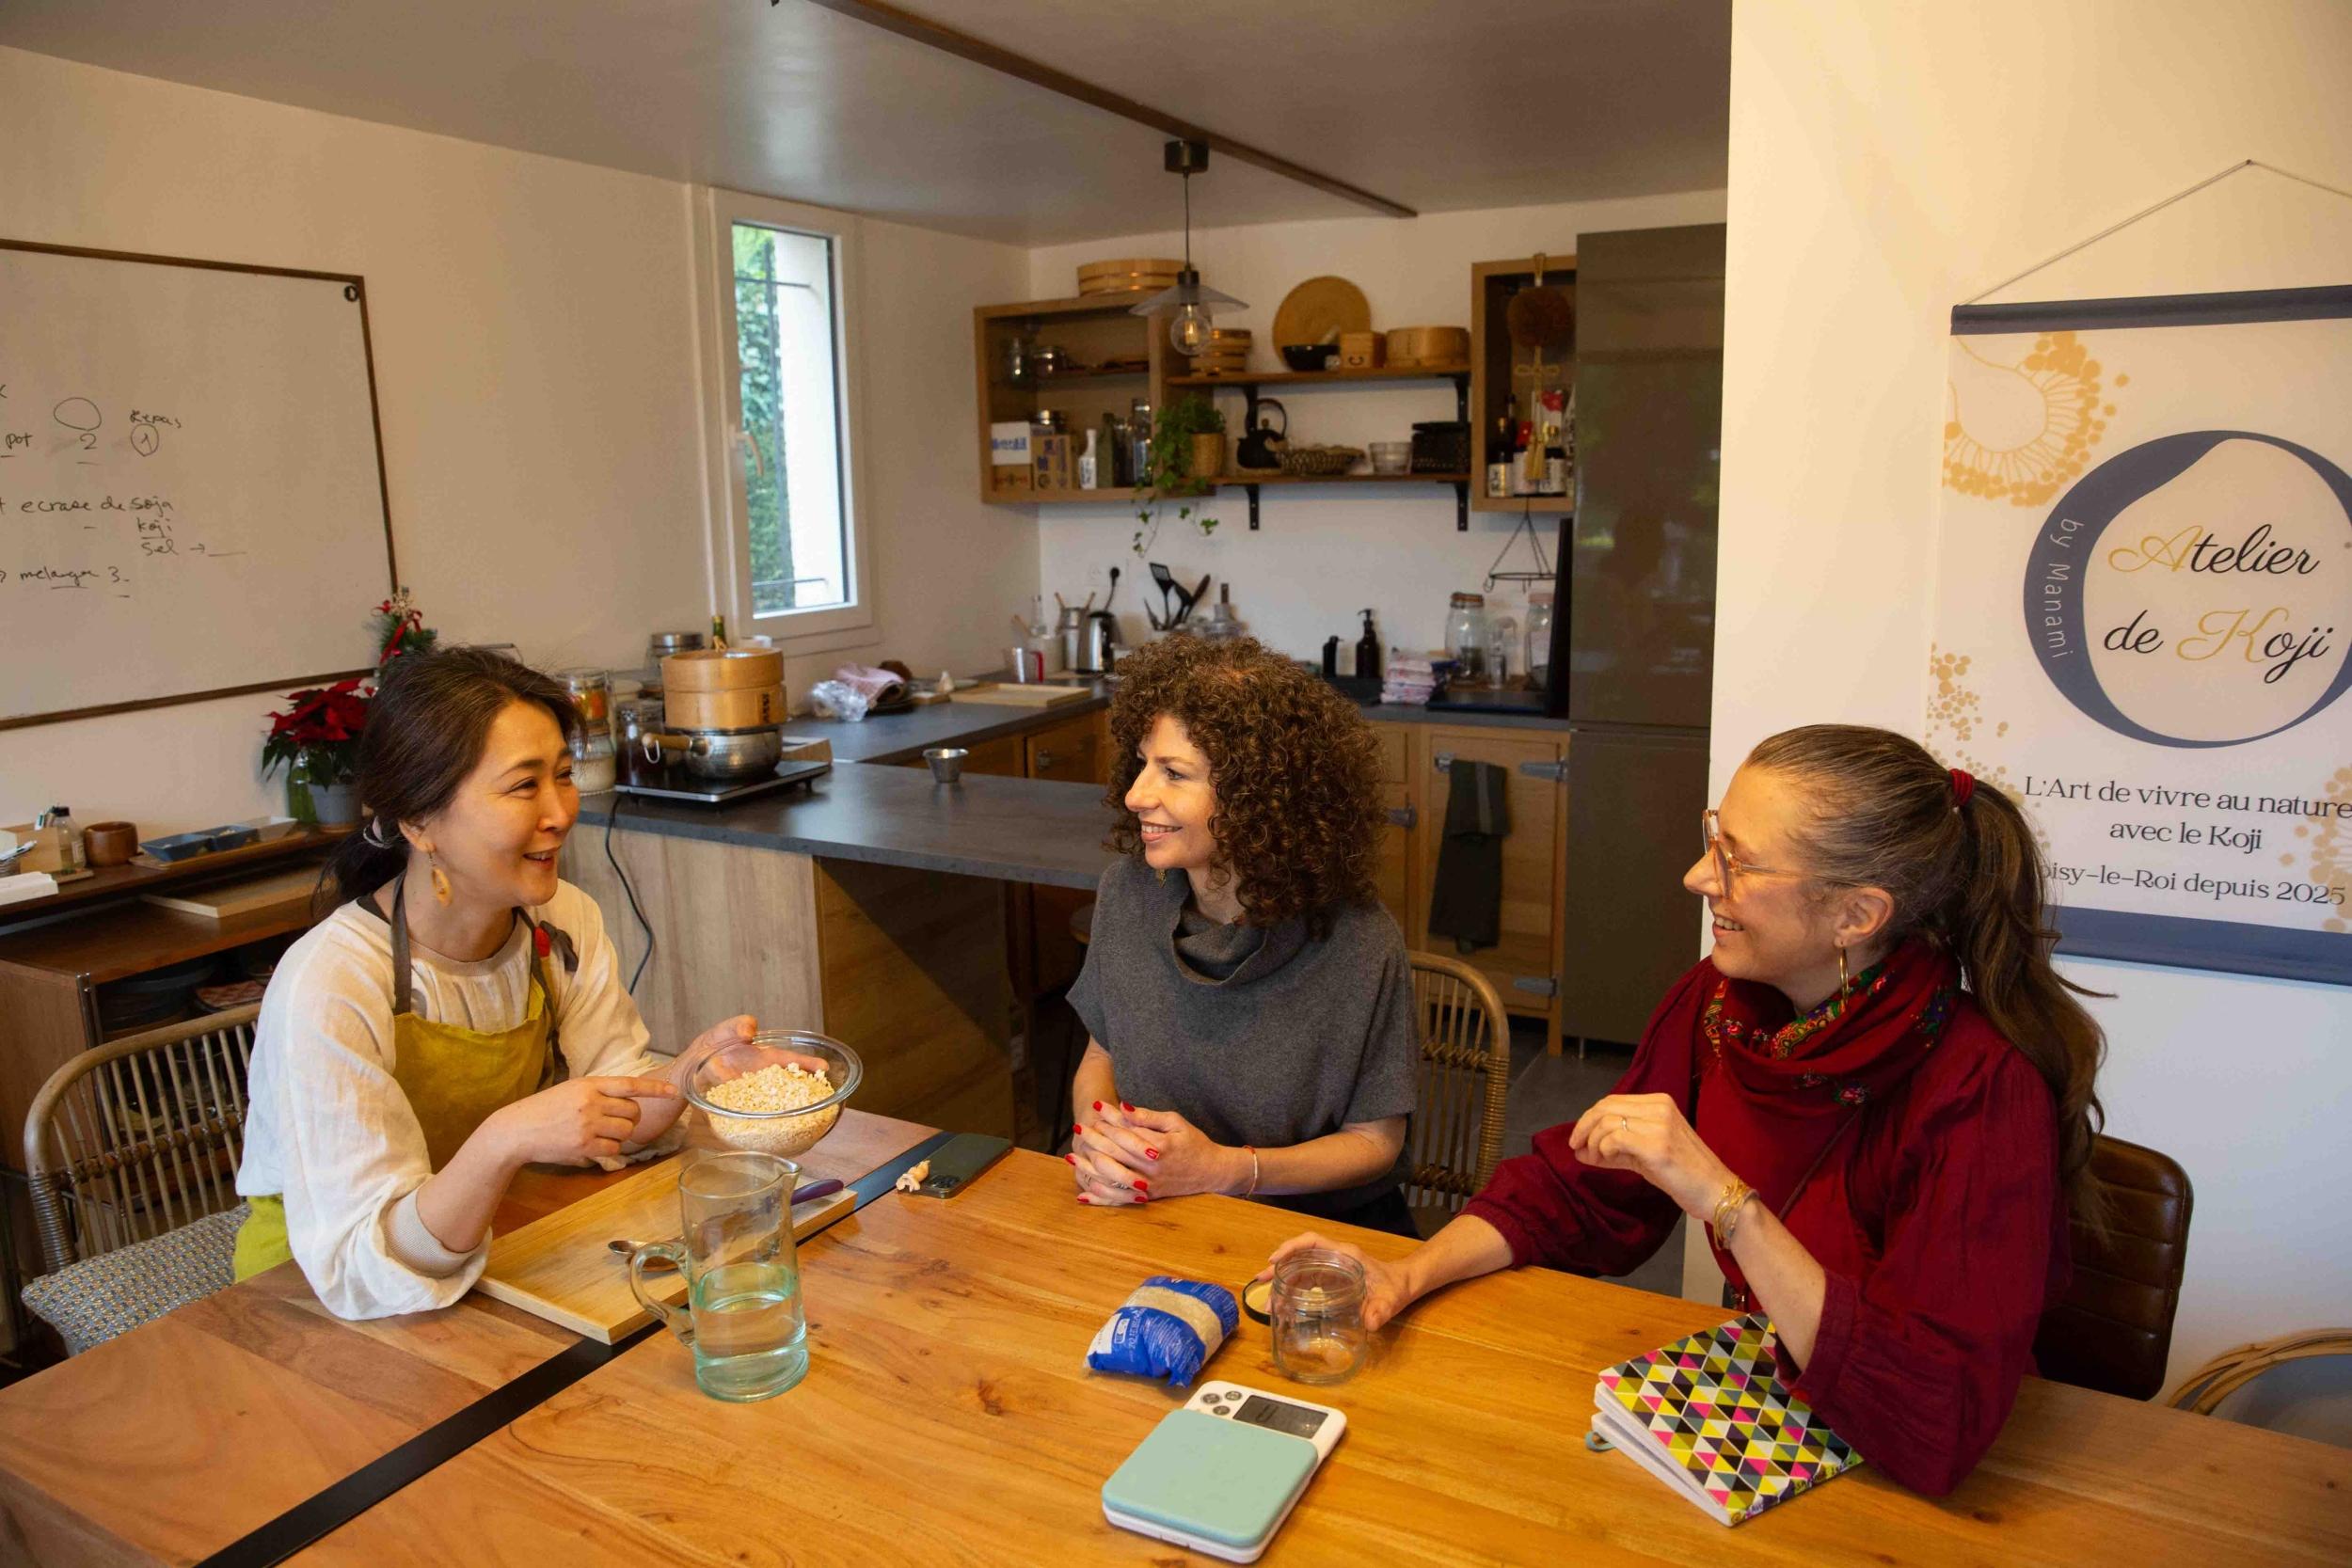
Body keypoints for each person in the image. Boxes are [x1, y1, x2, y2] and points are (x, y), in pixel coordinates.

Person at [1264, 724, 2107, 1495]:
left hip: (1899, 1471)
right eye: (1715, 839)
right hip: (1776, 1416)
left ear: (1857, 914)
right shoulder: (1722, 1000)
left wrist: (1724, 1199)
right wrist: (1410, 1271)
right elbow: (1579, 1188)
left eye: (1737, 860)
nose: (1699, 876)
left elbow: (1937, 1414)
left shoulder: (1982, 1089)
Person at [234, 648, 775, 1319]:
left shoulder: (563, 920)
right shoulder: (332, 982)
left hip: (489, 1254)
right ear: (418, 821)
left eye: (566, 775)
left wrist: (695, 1069)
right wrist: (505, 1138)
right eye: (524, 786)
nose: (560, 811)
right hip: (312, 1302)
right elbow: (360, 1264)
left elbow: (613, 1114)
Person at [1066, 636, 1422, 1235]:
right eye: (1142, 763)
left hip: (1317, 1239)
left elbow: (1374, 1142)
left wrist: (1226, 1171)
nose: (1135, 795)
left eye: (1174, 773)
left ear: (1259, 798)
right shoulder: (1128, 894)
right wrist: (1100, 1139)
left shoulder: (1358, 941)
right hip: (1159, 1215)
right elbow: (1103, 1054)